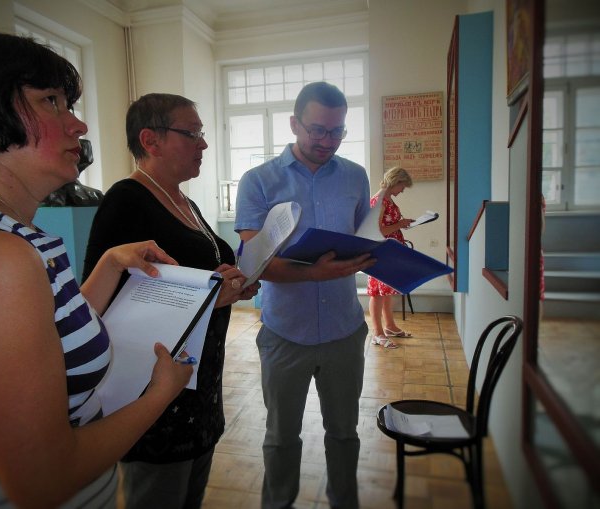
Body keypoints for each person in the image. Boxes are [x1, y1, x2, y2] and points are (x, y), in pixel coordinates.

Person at [0, 20, 194, 509]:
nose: (79, 125)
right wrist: (159, 393)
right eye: (51, 102)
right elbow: (43, 480)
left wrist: (109, 265)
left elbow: (41, 342)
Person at [82, 93, 260, 509]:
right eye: (192, 133)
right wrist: (211, 297)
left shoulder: (185, 201)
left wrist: (232, 285)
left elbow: (199, 273)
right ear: (151, 140)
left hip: (198, 383)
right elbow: (108, 305)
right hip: (155, 389)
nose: (204, 143)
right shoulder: (126, 200)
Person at [234, 81, 375, 509]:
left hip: (344, 331)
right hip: (285, 334)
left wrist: (385, 248)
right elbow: (252, 263)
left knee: (344, 434)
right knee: (281, 437)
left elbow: (363, 239)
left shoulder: (355, 176)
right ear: (294, 124)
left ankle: (344, 501)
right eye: (317, 130)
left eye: (337, 131)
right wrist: (313, 273)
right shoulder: (259, 181)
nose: (327, 141)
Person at [367, 166, 414, 349]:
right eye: (402, 186)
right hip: (381, 251)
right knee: (377, 293)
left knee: (387, 290)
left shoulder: (387, 199)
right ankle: (377, 333)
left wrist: (402, 224)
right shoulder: (379, 201)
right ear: (396, 181)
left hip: (390, 251)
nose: (402, 190)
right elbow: (377, 231)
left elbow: (389, 225)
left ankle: (390, 326)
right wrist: (400, 224)